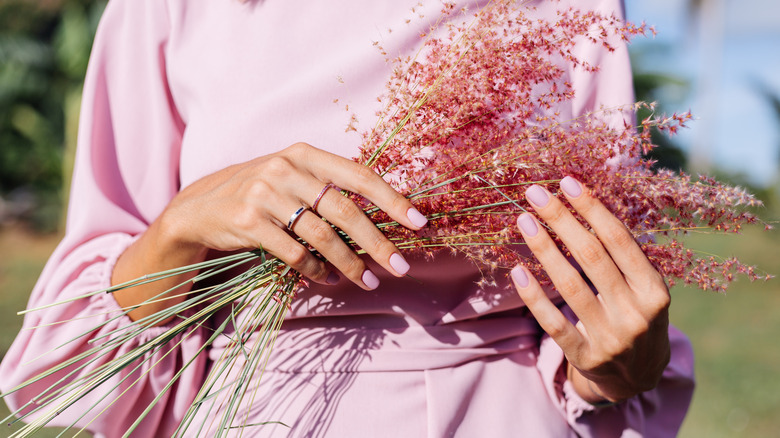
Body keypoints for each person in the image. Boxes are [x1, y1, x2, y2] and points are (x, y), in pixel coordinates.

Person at [0, 0, 695, 436]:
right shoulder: (173, 9)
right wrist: (183, 224)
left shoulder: (571, 8)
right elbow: (85, 339)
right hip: (263, 414)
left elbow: (602, 309)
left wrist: (611, 369)